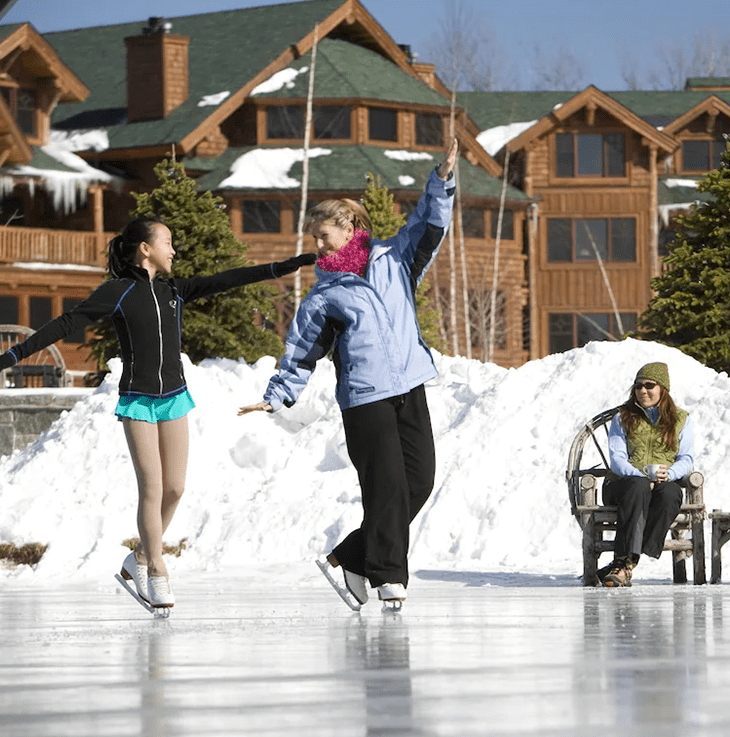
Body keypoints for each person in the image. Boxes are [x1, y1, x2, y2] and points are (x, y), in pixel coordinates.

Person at [0, 217, 315, 609]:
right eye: (167, 241)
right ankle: (158, 570)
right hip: (138, 400)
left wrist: (281, 267)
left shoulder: (173, 290)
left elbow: (227, 279)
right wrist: (11, 356)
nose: (174, 249)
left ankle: (141, 557)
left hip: (175, 397)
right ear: (145, 248)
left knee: (176, 488)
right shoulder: (117, 292)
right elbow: (66, 322)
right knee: (151, 487)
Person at [238, 140, 458, 611]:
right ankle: (388, 577)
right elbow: (301, 352)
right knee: (388, 488)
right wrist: (278, 395)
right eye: (313, 238)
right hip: (365, 401)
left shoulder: (395, 259)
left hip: (409, 387)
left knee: (419, 481)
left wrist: (441, 182)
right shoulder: (323, 297)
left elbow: (429, 222)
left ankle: (350, 558)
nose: (316, 246)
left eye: (323, 236)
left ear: (351, 227)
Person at [599, 361, 695, 588]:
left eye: (649, 385)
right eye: (638, 386)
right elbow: (617, 459)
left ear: (663, 388)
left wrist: (669, 474)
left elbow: (687, 459)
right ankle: (625, 563)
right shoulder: (623, 417)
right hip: (622, 484)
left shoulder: (681, 419)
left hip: (662, 481)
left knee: (671, 494)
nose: (642, 391)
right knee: (638, 487)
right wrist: (641, 475)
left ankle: (625, 563)